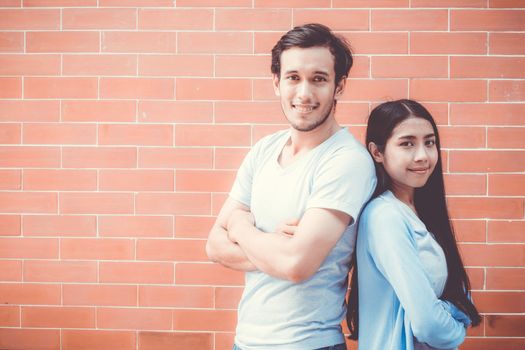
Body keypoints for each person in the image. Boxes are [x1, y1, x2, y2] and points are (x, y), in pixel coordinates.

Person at [205, 23, 376, 350]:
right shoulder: (264, 150)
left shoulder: (345, 161)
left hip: (309, 343)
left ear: (339, 86)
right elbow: (214, 245)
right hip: (246, 342)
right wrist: (274, 246)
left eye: (319, 79)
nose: (304, 93)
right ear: (276, 82)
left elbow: (296, 265)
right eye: (293, 77)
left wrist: (240, 226)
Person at [346, 99, 481, 350]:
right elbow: (428, 324)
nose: (422, 155)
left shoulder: (419, 213)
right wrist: (456, 328)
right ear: (377, 152)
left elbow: (458, 296)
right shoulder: (385, 216)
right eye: (407, 144)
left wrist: (449, 308)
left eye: (429, 142)